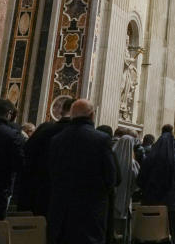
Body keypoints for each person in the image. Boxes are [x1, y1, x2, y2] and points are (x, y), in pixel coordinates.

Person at [48, 100, 117, 244]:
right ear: (92, 115)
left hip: (62, 211)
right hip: (91, 210)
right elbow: (111, 177)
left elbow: (51, 172)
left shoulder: (57, 139)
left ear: (72, 116)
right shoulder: (101, 139)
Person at [17, 96, 74, 215]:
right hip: (64, 198)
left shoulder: (45, 128)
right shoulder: (81, 135)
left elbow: (26, 154)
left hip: (36, 191)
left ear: (61, 111)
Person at [137, 129, 175, 241]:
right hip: (171, 203)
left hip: (149, 201)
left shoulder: (148, 159)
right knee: (173, 232)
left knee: (149, 233)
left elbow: (140, 180)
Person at [112, 134, 139, 244]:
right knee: (123, 232)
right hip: (126, 200)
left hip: (110, 200)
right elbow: (137, 184)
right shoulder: (133, 164)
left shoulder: (111, 160)